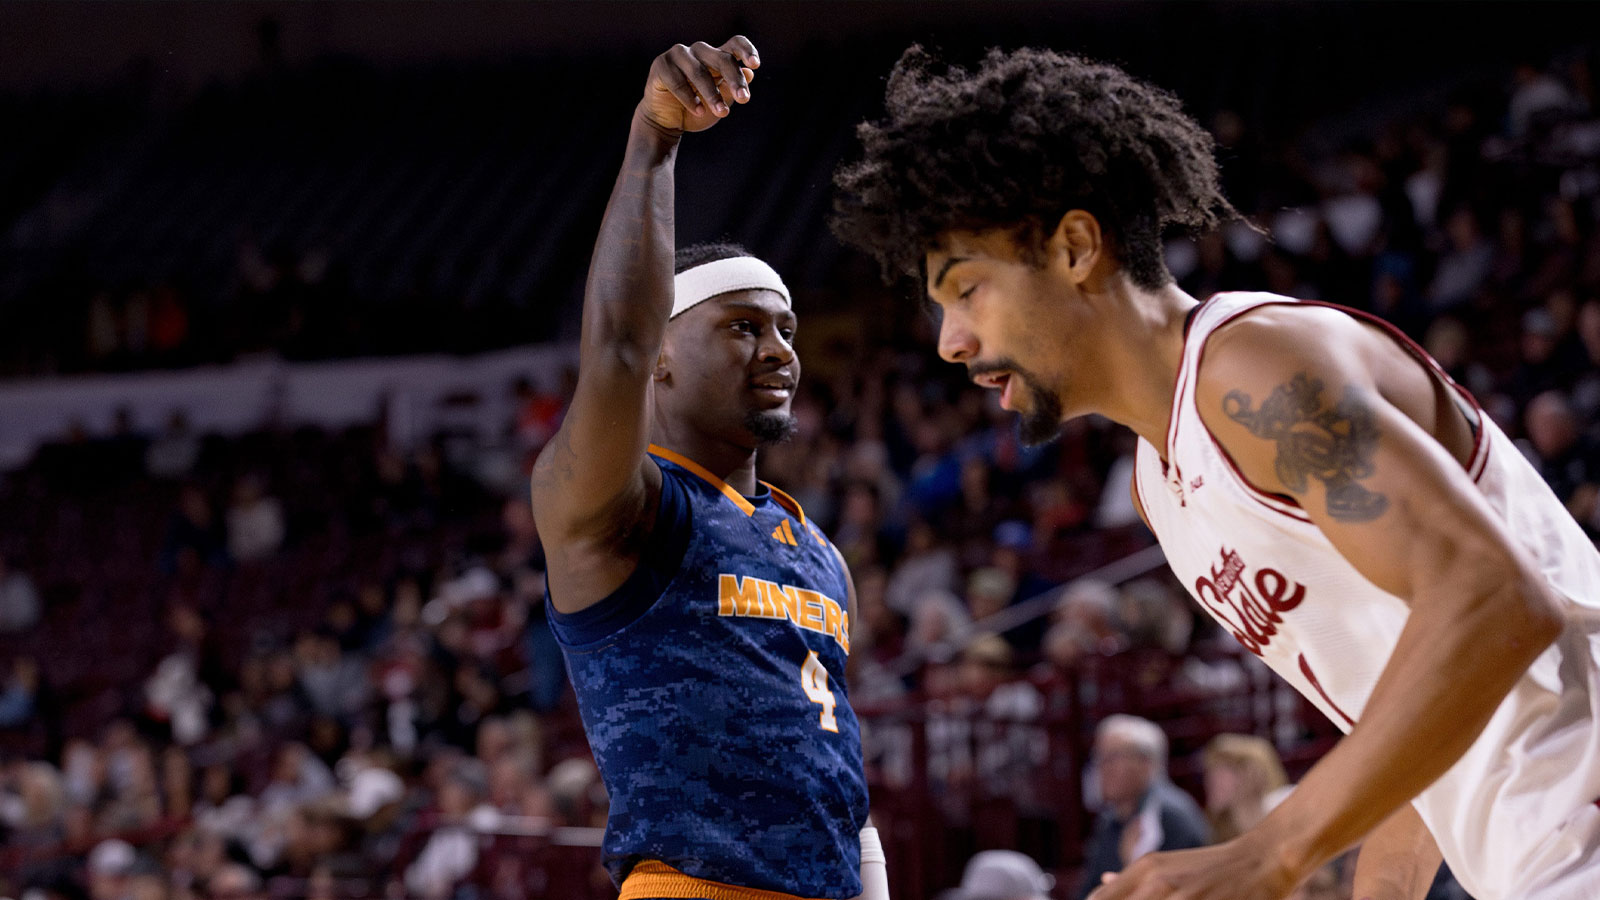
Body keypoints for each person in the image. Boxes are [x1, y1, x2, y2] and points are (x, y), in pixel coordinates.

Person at [833, 45, 1600, 900]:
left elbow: (1498, 599)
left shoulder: (1254, 370)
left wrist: (1269, 851)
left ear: (1077, 246)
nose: (951, 341)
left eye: (967, 290)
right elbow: (1417, 711)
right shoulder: (1163, 488)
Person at [530, 37, 881, 900]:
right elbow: (611, 347)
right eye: (741, 327)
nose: (779, 351)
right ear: (661, 356)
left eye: (787, 330)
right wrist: (655, 136)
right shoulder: (624, 509)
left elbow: (834, 765)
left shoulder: (816, 549)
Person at [1078, 716, 1209, 900]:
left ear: (1146, 763)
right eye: (1099, 757)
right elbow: (1089, 890)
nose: (1103, 768)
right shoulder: (1109, 820)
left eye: (1113, 757)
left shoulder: (1171, 816)